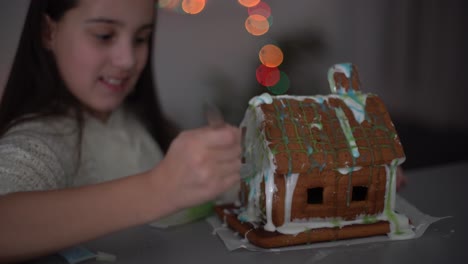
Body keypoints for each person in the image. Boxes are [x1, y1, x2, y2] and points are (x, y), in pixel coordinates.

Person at [0, 0, 242, 262]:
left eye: (140, 38)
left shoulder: (140, 122)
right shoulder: (41, 138)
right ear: (48, 32)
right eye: (104, 35)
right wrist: (158, 188)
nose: (127, 60)